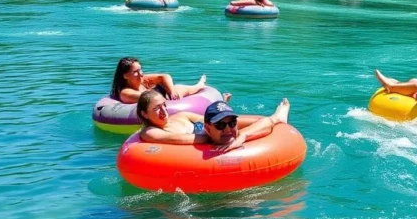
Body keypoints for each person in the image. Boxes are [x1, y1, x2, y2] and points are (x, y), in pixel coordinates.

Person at [137, 91, 291, 153]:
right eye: (157, 108)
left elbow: (205, 120)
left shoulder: (181, 116)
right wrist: (223, 134)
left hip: (213, 130)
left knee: (262, 121)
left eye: (164, 105)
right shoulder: (150, 132)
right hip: (212, 136)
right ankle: (276, 118)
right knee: (227, 126)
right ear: (144, 113)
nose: (164, 110)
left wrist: (240, 135)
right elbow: (200, 138)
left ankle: (278, 117)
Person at [109, 57, 210, 104]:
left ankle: (200, 84)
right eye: (135, 72)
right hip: (159, 100)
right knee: (179, 90)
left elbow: (164, 76)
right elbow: (150, 98)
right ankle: (199, 85)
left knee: (183, 88)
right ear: (125, 76)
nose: (141, 74)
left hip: (164, 94)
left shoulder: (143, 79)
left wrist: (172, 92)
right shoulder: (126, 93)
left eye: (140, 69)